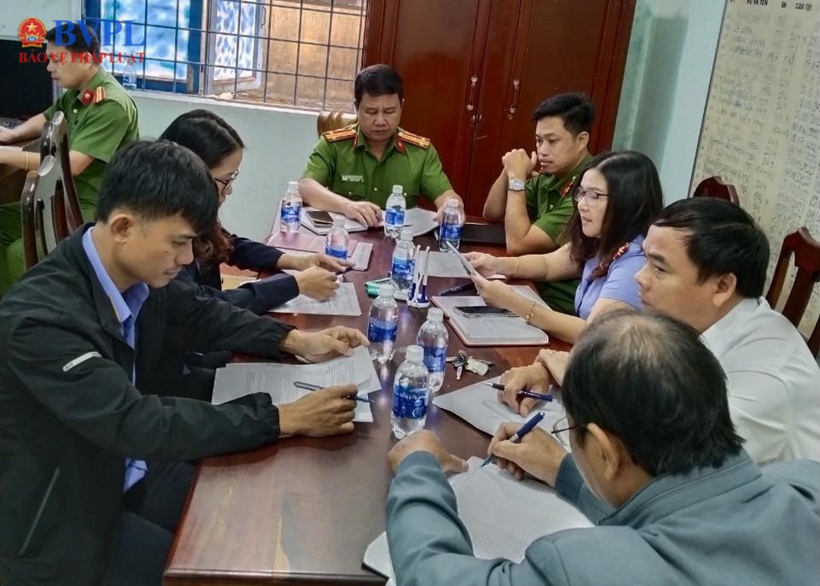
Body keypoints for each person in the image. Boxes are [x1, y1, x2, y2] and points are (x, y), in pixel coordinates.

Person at [0, 140, 367, 586]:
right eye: (178, 243)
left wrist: (295, 340)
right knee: (219, 567)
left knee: (248, 526)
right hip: (64, 524)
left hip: (124, 467)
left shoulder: (133, 270)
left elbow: (202, 312)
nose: (188, 258)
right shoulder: (41, 320)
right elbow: (135, 421)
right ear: (123, 226)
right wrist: (282, 419)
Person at [384, 309, 820, 586]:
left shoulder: (584, 568)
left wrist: (419, 466)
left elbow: (431, 575)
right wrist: (564, 471)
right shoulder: (807, 483)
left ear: (605, 452)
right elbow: (678, 510)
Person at [635, 197, 820, 464]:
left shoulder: (765, 379)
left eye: (659, 268)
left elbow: (676, 471)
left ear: (722, 287)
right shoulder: (702, 322)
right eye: (645, 260)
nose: (640, 277)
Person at [159, 109, 345, 314]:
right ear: (192, 174)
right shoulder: (163, 233)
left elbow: (227, 244)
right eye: (226, 179)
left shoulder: (189, 216)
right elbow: (201, 306)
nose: (229, 190)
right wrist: (295, 285)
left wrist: (296, 261)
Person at [465, 151, 663, 343]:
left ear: (628, 202)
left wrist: (513, 302)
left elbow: (594, 333)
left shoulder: (634, 262)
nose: (582, 205)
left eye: (595, 196)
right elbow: (548, 265)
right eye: (582, 193)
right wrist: (496, 264)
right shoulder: (602, 238)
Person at [0, 25, 139, 293]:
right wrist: (12, 134)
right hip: (64, 196)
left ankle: (36, 313)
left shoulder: (110, 104)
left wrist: (7, 154)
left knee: (20, 253)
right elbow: (48, 115)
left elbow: (72, 165)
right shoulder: (79, 91)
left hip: (97, 207)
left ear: (85, 60)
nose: (49, 67)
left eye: (56, 59)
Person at [299, 64, 464, 227]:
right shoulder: (333, 145)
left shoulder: (420, 152)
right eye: (371, 112)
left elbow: (446, 195)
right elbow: (306, 187)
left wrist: (451, 206)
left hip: (399, 240)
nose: (380, 121)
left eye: (389, 111)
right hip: (344, 238)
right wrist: (347, 206)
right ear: (357, 107)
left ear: (402, 106)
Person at [483, 93, 595, 261]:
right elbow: (492, 213)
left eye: (552, 141)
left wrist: (516, 178)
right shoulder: (550, 176)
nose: (542, 151)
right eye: (539, 140)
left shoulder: (590, 189)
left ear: (581, 140)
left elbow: (517, 244)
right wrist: (510, 169)